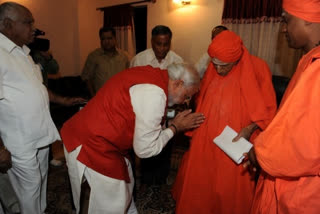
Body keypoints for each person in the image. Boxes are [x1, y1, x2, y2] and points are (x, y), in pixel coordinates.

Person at [61, 63, 205, 214]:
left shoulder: (156, 76)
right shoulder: (155, 94)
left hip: (103, 138)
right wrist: (175, 128)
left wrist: (171, 124)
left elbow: (146, 126)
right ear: (178, 83)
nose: (186, 101)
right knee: (112, 204)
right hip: (93, 142)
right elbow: (145, 150)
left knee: (126, 191)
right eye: (187, 95)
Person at [172, 31, 277, 214]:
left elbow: (268, 110)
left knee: (230, 191)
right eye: (215, 64)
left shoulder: (259, 68)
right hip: (206, 141)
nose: (218, 70)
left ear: (236, 59)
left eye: (224, 66)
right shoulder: (214, 67)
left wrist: (249, 128)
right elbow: (203, 99)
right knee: (201, 187)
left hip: (235, 142)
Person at [246, 0, 320, 213]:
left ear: (308, 19)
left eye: (287, 20)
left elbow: (302, 145)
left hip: (302, 193)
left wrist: (259, 153)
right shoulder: (309, 61)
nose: (283, 29)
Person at [0, 2, 61, 213]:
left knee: (41, 181)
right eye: (28, 22)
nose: (33, 28)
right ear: (7, 24)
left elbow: (38, 89)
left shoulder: (23, 52)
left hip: (39, 135)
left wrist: (64, 100)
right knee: (30, 189)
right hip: (19, 141)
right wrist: (0, 148)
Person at [130, 25, 184, 186]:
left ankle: (161, 178)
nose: (162, 48)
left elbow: (181, 88)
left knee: (166, 143)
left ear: (170, 42)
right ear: (151, 42)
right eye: (158, 44)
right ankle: (145, 178)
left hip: (168, 111)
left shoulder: (177, 61)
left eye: (166, 44)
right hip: (144, 112)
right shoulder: (139, 59)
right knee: (145, 143)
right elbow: (131, 86)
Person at [82, 27, 130, 97]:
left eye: (109, 38)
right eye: (103, 39)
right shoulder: (93, 56)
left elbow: (128, 77)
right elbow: (87, 78)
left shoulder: (124, 56)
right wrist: (93, 97)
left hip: (120, 97)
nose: (106, 41)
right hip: (101, 98)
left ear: (115, 39)